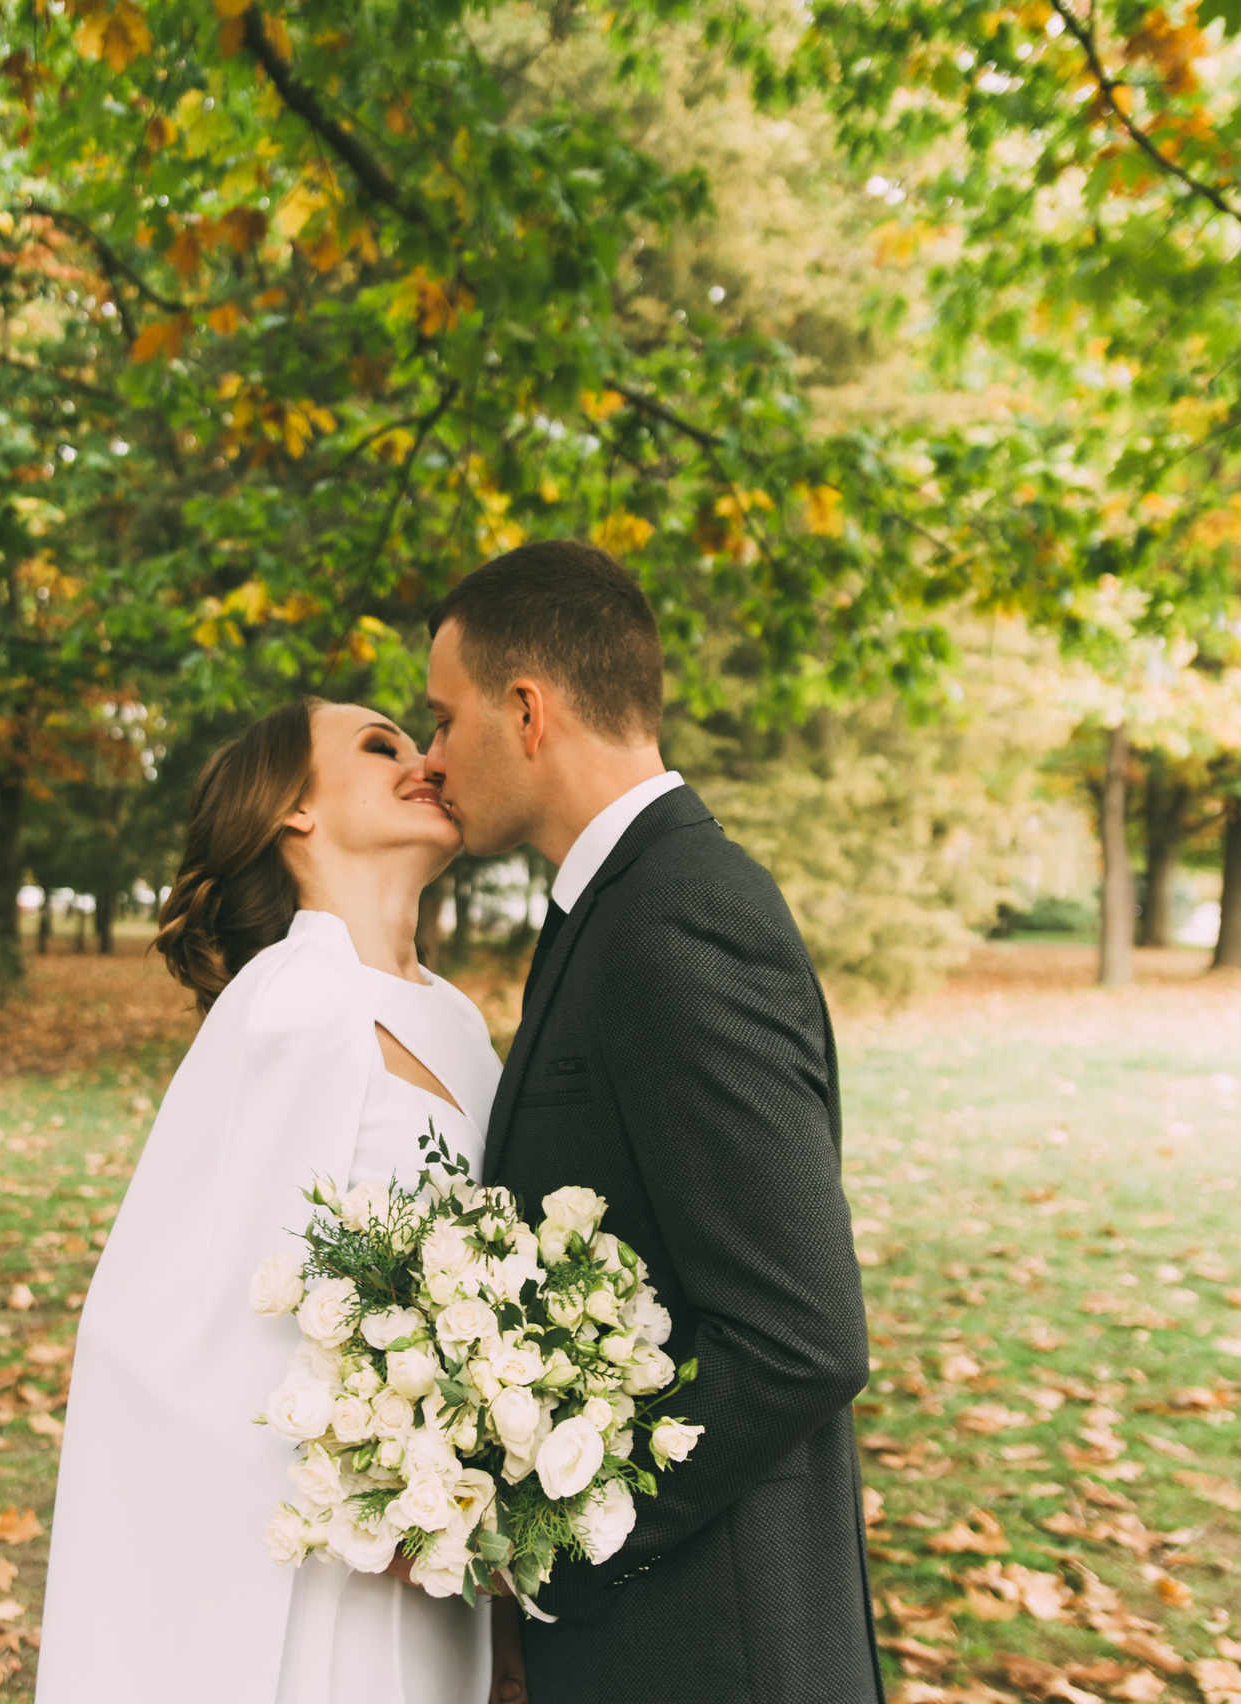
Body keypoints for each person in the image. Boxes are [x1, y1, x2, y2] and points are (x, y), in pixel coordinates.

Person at [422, 541, 881, 1704]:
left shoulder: (680, 917)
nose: (429, 760)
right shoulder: (612, 907)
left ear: (525, 710)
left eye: (440, 718)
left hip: (717, 1649)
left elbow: (801, 1335)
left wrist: (563, 1539)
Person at [40, 698, 516, 1704]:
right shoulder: (294, 996)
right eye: (379, 745)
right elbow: (191, 1315)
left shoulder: (459, 1022)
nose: (422, 760)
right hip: (332, 1559)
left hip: (443, 1539)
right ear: (293, 810)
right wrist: (368, 1490)